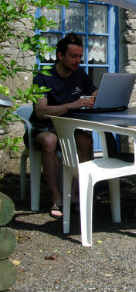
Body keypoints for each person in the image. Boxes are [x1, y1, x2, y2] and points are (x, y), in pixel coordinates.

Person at [31, 33, 97, 219]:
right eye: (73, 56)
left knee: (85, 139)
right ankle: (56, 196)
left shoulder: (80, 75)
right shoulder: (42, 77)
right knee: (50, 141)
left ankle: (74, 195)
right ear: (60, 55)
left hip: (69, 127)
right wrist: (71, 105)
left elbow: (94, 92)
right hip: (45, 127)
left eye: (80, 56)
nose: (78, 61)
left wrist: (100, 95)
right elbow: (40, 112)